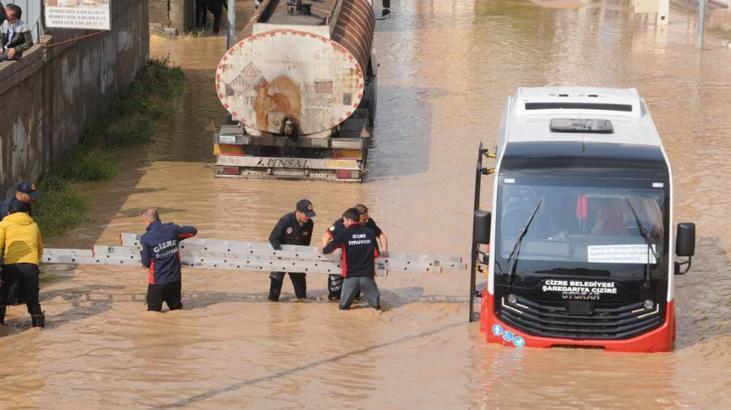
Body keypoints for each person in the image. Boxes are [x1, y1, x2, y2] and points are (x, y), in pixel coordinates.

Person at [320, 204, 388, 300]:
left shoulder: (369, 222)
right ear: (354, 218)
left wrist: (384, 250)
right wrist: (328, 257)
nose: (366, 221)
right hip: (339, 261)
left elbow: (381, 235)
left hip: (356, 266)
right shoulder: (342, 224)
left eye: (367, 218)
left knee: (354, 297)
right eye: (364, 220)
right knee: (335, 295)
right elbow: (326, 237)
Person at [139, 209, 197, 312]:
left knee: (153, 314)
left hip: (157, 282)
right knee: (176, 311)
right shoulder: (173, 229)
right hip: (174, 280)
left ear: (147, 221)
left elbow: (146, 263)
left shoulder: (145, 238)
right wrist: (176, 229)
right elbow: (193, 231)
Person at [0, 200, 44, 327]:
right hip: (31, 265)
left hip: (11, 266)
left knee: (3, 298)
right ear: (26, 212)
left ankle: (1, 326)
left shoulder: (4, 224)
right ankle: (38, 327)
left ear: (8, 212)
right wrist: (36, 263)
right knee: (33, 300)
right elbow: (39, 247)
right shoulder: (33, 225)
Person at [268, 199, 315, 301]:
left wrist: (303, 259)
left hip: (296, 259)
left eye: (310, 214)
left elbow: (306, 243)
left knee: (302, 296)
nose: (308, 217)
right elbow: (273, 238)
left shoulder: (310, 224)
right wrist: (280, 254)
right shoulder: (286, 220)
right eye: (306, 214)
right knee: (273, 295)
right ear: (298, 211)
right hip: (281, 257)